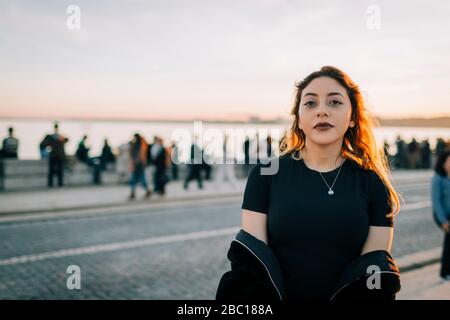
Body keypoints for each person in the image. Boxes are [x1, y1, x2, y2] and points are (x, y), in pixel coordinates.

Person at [216, 66, 402, 300]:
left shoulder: (373, 183)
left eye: (334, 102)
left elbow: (370, 275)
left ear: (353, 118)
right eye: (310, 103)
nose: (321, 111)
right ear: (299, 120)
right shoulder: (265, 175)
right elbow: (256, 267)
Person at [431, 151, 450, 281]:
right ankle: (445, 272)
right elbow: (436, 202)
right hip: (442, 215)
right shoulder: (437, 179)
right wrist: (443, 221)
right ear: (443, 163)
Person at [42, 122, 69, 188]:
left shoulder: (54, 137)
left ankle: (53, 184)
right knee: (57, 170)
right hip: (57, 156)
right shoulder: (59, 137)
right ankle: (57, 184)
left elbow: (43, 144)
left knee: (54, 171)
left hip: (54, 156)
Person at [128, 133, 151, 200]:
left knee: (137, 179)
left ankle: (134, 193)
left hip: (138, 165)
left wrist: (133, 163)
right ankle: (134, 192)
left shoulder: (138, 145)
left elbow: (137, 156)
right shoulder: (140, 144)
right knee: (137, 179)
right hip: (138, 165)